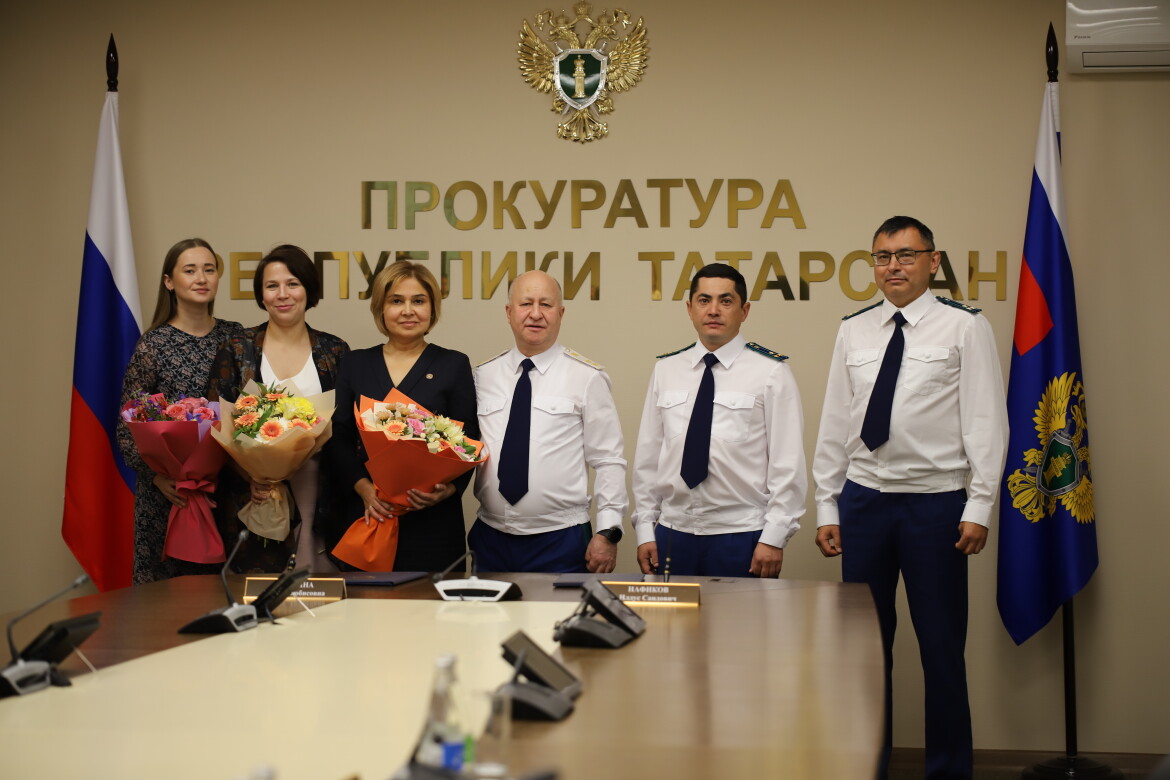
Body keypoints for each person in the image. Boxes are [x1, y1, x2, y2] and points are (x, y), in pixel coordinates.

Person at [812, 216, 1009, 780]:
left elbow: (986, 422)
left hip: (935, 505)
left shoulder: (965, 327)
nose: (892, 266)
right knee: (864, 653)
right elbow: (836, 423)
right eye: (882, 256)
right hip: (864, 503)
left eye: (905, 255)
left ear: (933, 261)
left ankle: (947, 771)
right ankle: (864, 766)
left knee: (941, 650)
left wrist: (979, 506)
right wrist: (827, 504)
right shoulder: (853, 330)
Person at [631, 262, 806, 578]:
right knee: (671, 613)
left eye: (726, 301)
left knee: (743, 614)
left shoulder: (771, 372)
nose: (713, 310)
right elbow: (648, 459)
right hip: (672, 532)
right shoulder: (666, 370)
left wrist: (774, 537)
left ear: (744, 310)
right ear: (690, 308)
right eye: (704, 300)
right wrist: (645, 528)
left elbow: (787, 465)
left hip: (741, 534)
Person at [471, 270, 627, 573]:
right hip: (490, 537)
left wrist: (608, 530)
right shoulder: (483, 376)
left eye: (546, 304)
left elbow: (609, 459)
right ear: (509, 312)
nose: (535, 314)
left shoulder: (586, 377)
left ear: (561, 313)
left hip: (561, 539)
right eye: (525, 304)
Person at [209, 244, 349, 572]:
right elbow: (217, 423)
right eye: (272, 286)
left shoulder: (334, 350)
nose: (283, 294)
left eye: (292, 284)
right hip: (255, 495)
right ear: (261, 295)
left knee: (319, 588)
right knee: (260, 592)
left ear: (308, 289)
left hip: (322, 493)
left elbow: (346, 429)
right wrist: (251, 475)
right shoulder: (237, 349)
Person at [330, 261, 477, 572]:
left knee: (433, 603)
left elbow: (469, 439)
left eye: (418, 301)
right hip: (370, 514)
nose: (408, 311)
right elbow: (338, 437)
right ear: (381, 308)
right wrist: (364, 489)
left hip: (433, 523)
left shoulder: (453, 364)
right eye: (396, 301)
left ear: (432, 309)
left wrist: (448, 491)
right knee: (365, 603)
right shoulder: (355, 364)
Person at [117, 238, 245, 584]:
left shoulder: (236, 338)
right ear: (169, 282)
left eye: (209, 269)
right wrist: (157, 478)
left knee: (224, 595)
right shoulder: (153, 345)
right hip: (169, 495)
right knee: (164, 602)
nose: (201, 278)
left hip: (223, 490)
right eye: (190, 270)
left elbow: (248, 409)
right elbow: (128, 425)